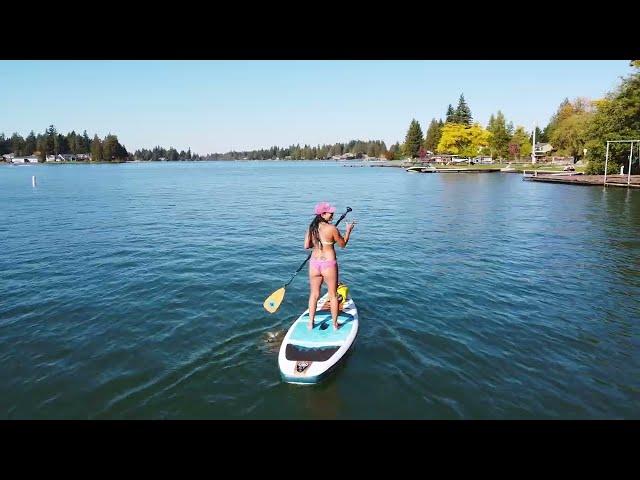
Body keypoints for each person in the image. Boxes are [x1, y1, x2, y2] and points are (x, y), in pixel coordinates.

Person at [304, 202, 355, 330]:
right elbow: (342, 245)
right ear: (322, 214)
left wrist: (318, 244)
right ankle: (334, 324)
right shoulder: (331, 228)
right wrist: (348, 231)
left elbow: (306, 246)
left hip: (314, 264)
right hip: (328, 264)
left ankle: (310, 323)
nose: (333, 214)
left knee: (314, 294)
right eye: (330, 213)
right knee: (332, 295)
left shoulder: (311, 228)